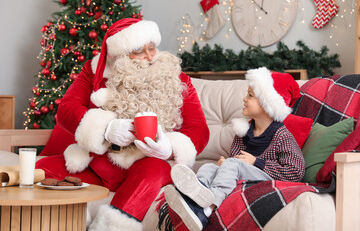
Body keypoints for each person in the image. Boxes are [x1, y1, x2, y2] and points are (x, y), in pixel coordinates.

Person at [35, 18, 209, 231]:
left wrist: (170, 149)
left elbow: (199, 128)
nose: (149, 56)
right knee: (37, 171)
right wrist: (106, 129)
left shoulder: (176, 78)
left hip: (148, 165)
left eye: (152, 47)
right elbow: (66, 110)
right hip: (99, 165)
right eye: (138, 51)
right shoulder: (94, 71)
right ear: (120, 54)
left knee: (153, 170)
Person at [164, 67, 305, 231]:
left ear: (268, 104)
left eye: (250, 95)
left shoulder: (281, 135)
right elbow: (235, 160)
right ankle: (192, 198)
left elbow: (296, 171)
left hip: (268, 176)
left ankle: (207, 209)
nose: (244, 99)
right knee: (209, 166)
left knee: (233, 165)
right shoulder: (242, 132)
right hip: (243, 173)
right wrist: (224, 163)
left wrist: (257, 162)